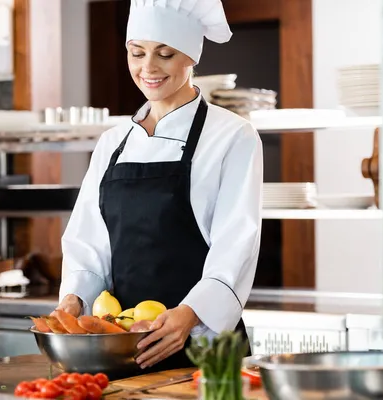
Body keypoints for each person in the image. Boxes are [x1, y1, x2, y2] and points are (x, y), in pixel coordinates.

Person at [54, 0, 263, 373]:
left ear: (191, 59)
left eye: (164, 54)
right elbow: (89, 243)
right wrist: (73, 299)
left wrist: (189, 315)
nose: (147, 67)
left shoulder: (232, 135)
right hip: (125, 339)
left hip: (203, 343)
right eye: (137, 53)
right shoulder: (112, 142)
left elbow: (237, 244)